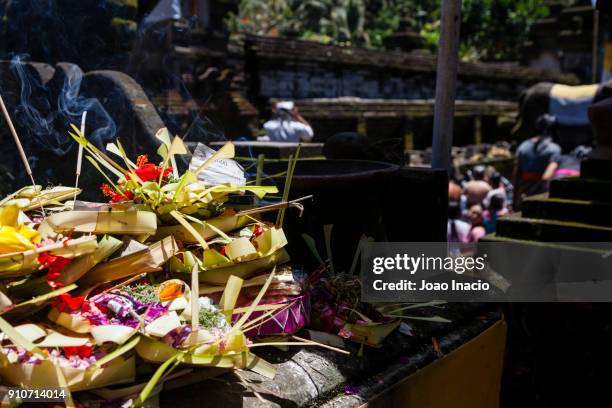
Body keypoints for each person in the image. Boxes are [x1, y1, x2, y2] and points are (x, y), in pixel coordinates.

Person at [514, 114, 562, 209]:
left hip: (524, 197)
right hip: (540, 199)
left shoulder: (523, 146)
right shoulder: (554, 149)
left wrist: (514, 202)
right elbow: (546, 177)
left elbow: (516, 176)